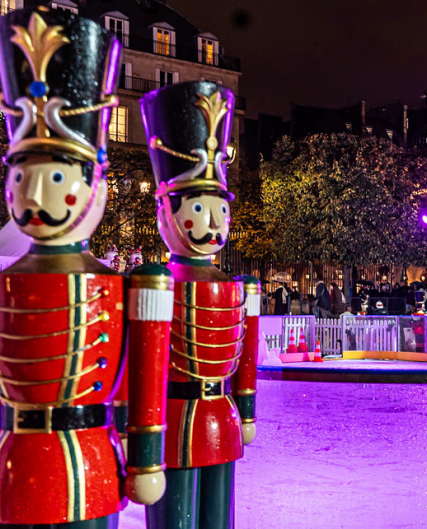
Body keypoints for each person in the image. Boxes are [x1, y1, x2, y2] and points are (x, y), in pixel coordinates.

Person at [0, 8, 171, 527]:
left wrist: (145, 453)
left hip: (89, 461)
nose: (34, 195)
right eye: (26, 176)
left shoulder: (122, 283)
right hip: (14, 460)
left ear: (96, 185)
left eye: (55, 178)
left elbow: (141, 374)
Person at [142, 80, 255, 527]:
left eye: (220, 210)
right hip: (173, 419)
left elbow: (242, 352)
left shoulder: (236, 284)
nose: (212, 224)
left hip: (220, 416)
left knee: (217, 514)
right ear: (165, 211)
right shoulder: (154, 283)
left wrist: (244, 408)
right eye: (198, 209)